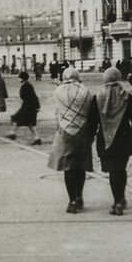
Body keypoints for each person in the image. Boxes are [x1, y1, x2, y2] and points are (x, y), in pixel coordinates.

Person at [86, 68, 132, 216]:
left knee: (113, 171)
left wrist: (88, 138)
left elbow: (92, 122)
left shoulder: (98, 97)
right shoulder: (126, 96)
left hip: (106, 140)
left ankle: (117, 201)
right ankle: (121, 199)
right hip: (123, 139)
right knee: (121, 169)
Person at [47, 68, 93, 213]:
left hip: (65, 133)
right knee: (81, 166)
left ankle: (72, 200)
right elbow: (89, 112)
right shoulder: (86, 91)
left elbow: (57, 113)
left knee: (69, 168)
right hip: (82, 132)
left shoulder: (58, 91)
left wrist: (59, 127)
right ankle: (79, 196)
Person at [6, 71, 41, 145]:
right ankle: (37, 138)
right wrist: (37, 106)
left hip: (28, 106)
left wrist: (36, 106)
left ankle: (13, 133)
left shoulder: (25, 86)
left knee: (16, 118)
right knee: (30, 123)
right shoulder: (28, 85)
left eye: (19, 77)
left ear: (23, 78)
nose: (18, 79)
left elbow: (29, 96)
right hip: (30, 106)